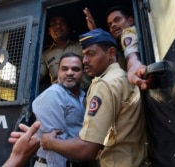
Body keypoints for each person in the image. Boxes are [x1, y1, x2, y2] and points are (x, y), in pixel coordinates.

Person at [41, 29, 148, 167]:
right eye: (84, 55)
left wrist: (50, 143)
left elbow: (88, 149)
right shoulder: (123, 76)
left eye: (91, 54)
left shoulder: (103, 85)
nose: (84, 61)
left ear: (110, 53)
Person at [33, 52, 90, 167]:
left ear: (83, 73)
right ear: (58, 72)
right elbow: (53, 146)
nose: (69, 73)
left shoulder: (83, 96)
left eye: (75, 69)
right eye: (64, 69)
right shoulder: (53, 95)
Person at [83, 6, 152, 90]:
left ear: (130, 21)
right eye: (110, 24)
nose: (113, 25)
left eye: (117, 20)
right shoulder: (116, 47)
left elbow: (131, 53)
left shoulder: (129, 33)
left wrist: (134, 67)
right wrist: (95, 33)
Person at [41, 15, 91, 91]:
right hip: (60, 97)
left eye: (62, 23)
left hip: (84, 93)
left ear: (68, 29)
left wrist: (94, 31)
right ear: (49, 31)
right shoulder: (45, 54)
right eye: (53, 24)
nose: (58, 26)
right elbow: (38, 75)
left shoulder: (81, 46)